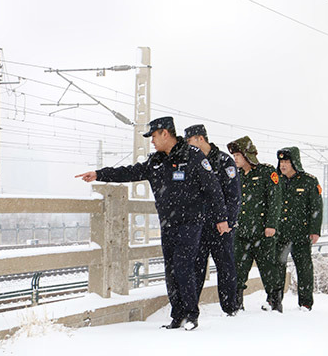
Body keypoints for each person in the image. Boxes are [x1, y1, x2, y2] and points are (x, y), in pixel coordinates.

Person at [75, 116, 230, 331]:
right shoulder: (156, 161)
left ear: (165, 133)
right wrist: (99, 174)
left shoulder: (193, 156)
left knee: (184, 265)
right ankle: (177, 315)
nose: (152, 141)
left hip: (191, 222)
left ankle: (192, 314)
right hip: (168, 224)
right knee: (172, 270)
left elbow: (213, 187)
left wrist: (222, 218)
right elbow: (129, 172)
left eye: (154, 136)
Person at [184, 124, 240, 316]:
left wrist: (227, 221)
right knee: (195, 268)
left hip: (220, 225)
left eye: (189, 141)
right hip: (197, 225)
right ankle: (190, 309)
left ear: (201, 139)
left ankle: (230, 308)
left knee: (225, 266)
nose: (188, 146)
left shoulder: (225, 161)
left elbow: (233, 196)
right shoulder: (191, 161)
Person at [227, 136, 284, 313]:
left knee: (268, 269)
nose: (235, 158)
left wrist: (271, 225)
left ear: (247, 155)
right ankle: (236, 304)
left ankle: (274, 302)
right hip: (241, 232)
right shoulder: (235, 175)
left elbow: (275, 200)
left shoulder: (267, 173)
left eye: (238, 155)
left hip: (262, 232)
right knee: (237, 269)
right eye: (234, 155)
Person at [276, 146, 323, 311]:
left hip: (301, 234)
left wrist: (315, 230)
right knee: (276, 268)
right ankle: (274, 301)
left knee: (304, 268)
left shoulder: (309, 181)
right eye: (281, 161)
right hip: (280, 233)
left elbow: (316, 207)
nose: (283, 165)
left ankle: (305, 302)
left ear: (294, 162)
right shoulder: (276, 180)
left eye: (287, 161)